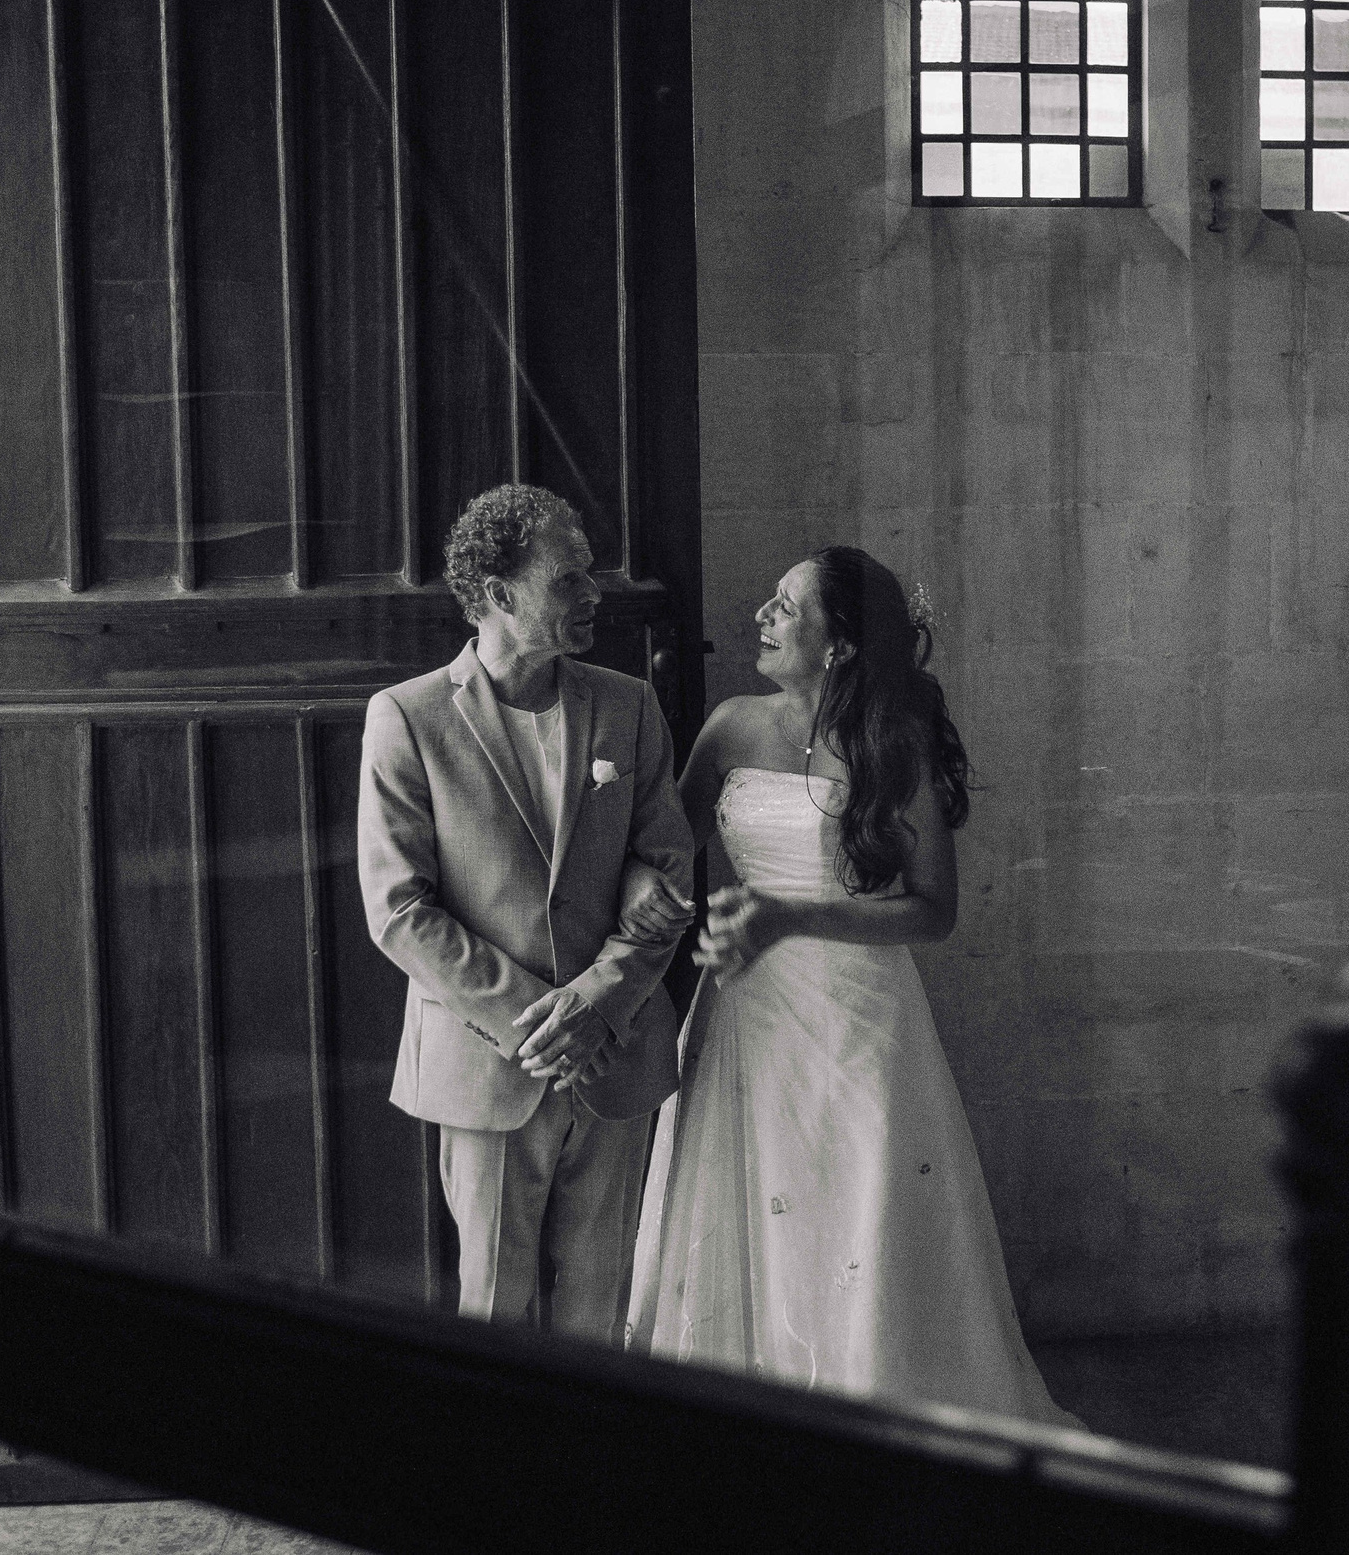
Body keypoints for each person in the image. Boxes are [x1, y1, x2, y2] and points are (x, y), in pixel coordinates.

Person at [626, 546, 1075, 1424]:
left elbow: (933, 911)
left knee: (856, 1210)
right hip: (745, 1016)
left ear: (836, 646)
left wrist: (790, 918)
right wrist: (652, 894)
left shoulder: (889, 742)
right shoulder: (729, 727)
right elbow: (665, 856)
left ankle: (868, 1416)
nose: (762, 615)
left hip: (861, 1021)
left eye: (786, 606)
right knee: (748, 1202)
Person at [357, 484, 697, 1342]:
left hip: (615, 1053)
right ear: (499, 593)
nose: (593, 596)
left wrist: (598, 1002)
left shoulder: (629, 705)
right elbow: (399, 910)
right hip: (486, 1065)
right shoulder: (407, 716)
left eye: (590, 576)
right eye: (569, 578)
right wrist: (535, 1022)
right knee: (494, 1308)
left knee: (602, 1301)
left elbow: (666, 866)